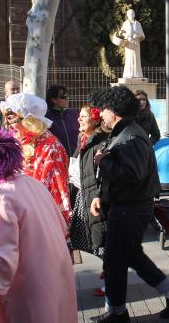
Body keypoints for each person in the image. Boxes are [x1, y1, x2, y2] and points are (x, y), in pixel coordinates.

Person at [0, 127, 78, 322]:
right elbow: (61, 226)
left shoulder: (4, 199)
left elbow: (3, 258)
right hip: (55, 273)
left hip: (29, 284)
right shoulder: (33, 183)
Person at [88, 86, 169, 323]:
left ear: (115, 111)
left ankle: (118, 312)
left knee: (114, 261)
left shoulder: (131, 136)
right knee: (131, 256)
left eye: (104, 110)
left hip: (129, 209)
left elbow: (131, 174)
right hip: (127, 206)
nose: (101, 114)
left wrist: (103, 162)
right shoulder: (124, 133)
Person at [0, 93, 72, 225]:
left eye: (10, 118)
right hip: (18, 212)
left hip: (40, 218)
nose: (6, 124)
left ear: (29, 120)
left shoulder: (51, 148)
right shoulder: (19, 140)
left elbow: (58, 193)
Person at [69, 104, 109, 258]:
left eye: (84, 116)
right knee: (87, 240)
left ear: (94, 120)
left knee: (100, 244)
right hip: (82, 195)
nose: (79, 119)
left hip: (94, 198)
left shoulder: (100, 143)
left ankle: (111, 274)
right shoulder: (83, 140)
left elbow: (102, 176)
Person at [45, 84, 79, 156]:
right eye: (63, 97)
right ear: (54, 100)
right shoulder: (46, 118)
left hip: (75, 159)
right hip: (58, 159)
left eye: (67, 96)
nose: (66, 99)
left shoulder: (73, 114)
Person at [118, 9, 145, 79]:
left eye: (132, 13)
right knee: (129, 59)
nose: (131, 15)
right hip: (128, 44)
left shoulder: (138, 24)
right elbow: (121, 33)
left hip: (136, 44)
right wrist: (125, 34)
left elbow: (142, 35)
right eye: (130, 14)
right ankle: (128, 74)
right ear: (127, 15)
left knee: (136, 59)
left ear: (134, 15)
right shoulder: (125, 23)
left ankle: (137, 74)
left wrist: (137, 36)